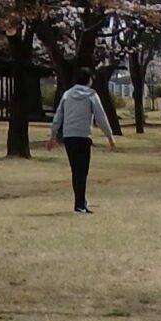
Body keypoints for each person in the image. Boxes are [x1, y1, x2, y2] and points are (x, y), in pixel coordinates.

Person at [48, 71, 117, 214]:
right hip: (83, 137)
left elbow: (58, 116)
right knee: (82, 171)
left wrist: (53, 136)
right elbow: (101, 117)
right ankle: (80, 204)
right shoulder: (91, 95)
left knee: (76, 170)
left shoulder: (67, 95)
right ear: (88, 80)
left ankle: (80, 202)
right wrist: (109, 136)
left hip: (69, 137)